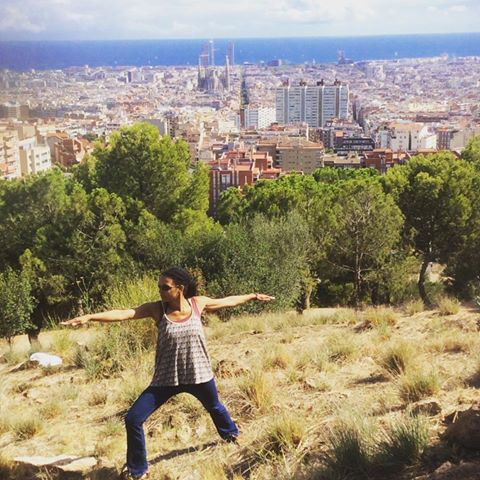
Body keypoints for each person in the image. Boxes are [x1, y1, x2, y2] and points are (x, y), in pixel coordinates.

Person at [61, 267, 274, 480]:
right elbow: (125, 313)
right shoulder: (157, 309)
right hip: (166, 379)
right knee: (133, 419)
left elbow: (228, 301)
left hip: (199, 375)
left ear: (180, 288)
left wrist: (252, 296)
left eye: (165, 287)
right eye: (159, 287)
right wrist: (90, 317)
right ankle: (138, 470)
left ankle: (231, 435)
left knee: (215, 406)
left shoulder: (197, 304)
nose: (160, 291)